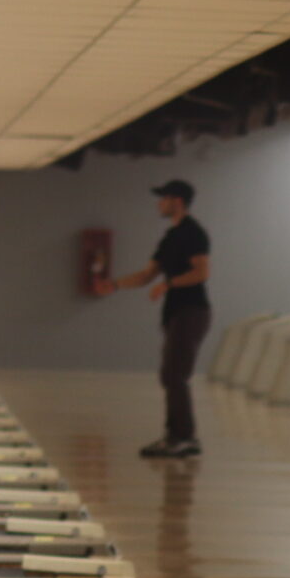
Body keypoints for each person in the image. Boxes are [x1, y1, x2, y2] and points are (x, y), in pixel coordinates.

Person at [93, 177, 211, 459]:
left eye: (164, 198)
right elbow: (147, 275)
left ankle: (182, 437)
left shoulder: (194, 233)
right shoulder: (170, 237)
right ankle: (178, 435)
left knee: (174, 375)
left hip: (192, 311)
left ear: (177, 202)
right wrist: (116, 284)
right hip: (175, 312)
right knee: (170, 375)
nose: (159, 203)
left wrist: (169, 285)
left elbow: (201, 273)